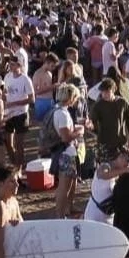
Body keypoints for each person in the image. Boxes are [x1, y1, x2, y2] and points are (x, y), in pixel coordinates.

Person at [47, 84, 87, 219]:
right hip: (66, 153)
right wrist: (79, 132)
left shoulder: (58, 111)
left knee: (71, 183)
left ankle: (68, 209)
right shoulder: (62, 114)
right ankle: (60, 215)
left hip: (67, 152)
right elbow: (65, 137)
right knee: (64, 187)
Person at [84, 148, 129, 224]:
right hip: (94, 215)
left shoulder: (120, 174)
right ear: (120, 157)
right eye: (126, 161)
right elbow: (103, 175)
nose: (127, 165)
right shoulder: (105, 166)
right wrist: (126, 170)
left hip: (108, 217)